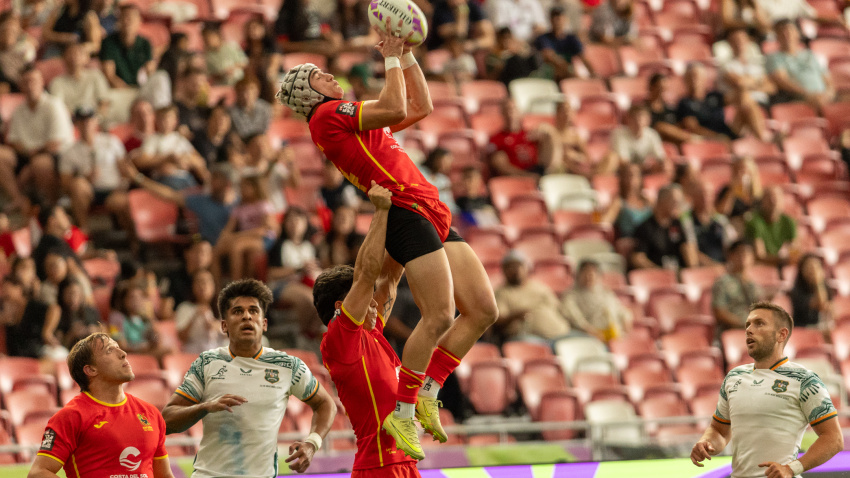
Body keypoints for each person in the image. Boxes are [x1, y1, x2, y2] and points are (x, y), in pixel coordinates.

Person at [277, 21, 498, 460]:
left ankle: (429, 387)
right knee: (438, 316)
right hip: (401, 210)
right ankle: (404, 409)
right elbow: (397, 104)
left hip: (429, 208)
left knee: (483, 310)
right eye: (320, 76)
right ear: (310, 93)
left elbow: (420, 104)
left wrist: (410, 54)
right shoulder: (326, 116)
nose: (331, 76)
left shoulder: (356, 119)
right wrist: (391, 54)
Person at [161, 278, 337, 476]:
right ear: (224, 326)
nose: (247, 316)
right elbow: (165, 421)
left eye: (253, 311)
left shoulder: (288, 366)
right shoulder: (207, 363)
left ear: (264, 324)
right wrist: (204, 407)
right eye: (238, 311)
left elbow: (326, 404)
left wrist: (312, 443)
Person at [313, 182, 421, 477]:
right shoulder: (340, 340)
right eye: (364, 298)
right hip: (380, 468)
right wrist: (381, 211)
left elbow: (389, 277)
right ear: (341, 307)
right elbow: (367, 273)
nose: (374, 303)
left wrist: (406, 212)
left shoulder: (370, 334)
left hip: (405, 466)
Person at [691, 301, 843, 477]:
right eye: (747, 324)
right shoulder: (734, 377)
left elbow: (834, 439)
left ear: (781, 334)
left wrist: (791, 468)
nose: (749, 329)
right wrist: (706, 442)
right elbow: (719, 431)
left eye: (759, 323)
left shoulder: (805, 380)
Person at [27, 333, 174, 478]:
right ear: (91, 370)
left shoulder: (150, 413)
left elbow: (164, 475)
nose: (123, 353)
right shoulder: (71, 416)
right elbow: (38, 473)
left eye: (119, 347)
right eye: (110, 350)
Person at [6, 66, 75, 201]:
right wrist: (29, 155)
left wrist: (31, 162)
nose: (30, 86)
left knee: (40, 164)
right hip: (28, 154)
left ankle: (49, 210)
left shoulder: (54, 105)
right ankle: (17, 200)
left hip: (57, 155)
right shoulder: (18, 110)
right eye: (26, 82)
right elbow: (13, 141)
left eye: (33, 81)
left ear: (42, 82)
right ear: (20, 86)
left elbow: (55, 144)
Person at [59, 108, 128, 231]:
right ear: (76, 124)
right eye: (82, 121)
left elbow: (125, 170)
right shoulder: (69, 151)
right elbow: (65, 184)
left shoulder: (111, 141)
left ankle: (134, 243)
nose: (86, 125)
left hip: (113, 189)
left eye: (89, 121)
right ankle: (84, 231)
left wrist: (123, 186)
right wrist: (85, 178)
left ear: (96, 122)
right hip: (88, 192)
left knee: (122, 202)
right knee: (78, 185)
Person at [677, 62, 768, 142]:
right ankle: (764, 141)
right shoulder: (685, 103)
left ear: (704, 79)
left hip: (726, 133)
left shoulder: (713, 95)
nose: (695, 80)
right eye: (691, 76)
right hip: (711, 138)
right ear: (686, 80)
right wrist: (716, 137)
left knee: (748, 105)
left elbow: (738, 97)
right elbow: (693, 128)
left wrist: (744, 85)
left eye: (697, 76)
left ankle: (762, 138)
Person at [494, 250, 571, 343]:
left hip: (561, 333)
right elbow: (497, 323)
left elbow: (559, 308)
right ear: (503, 271)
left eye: (519, 265)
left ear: (527, 268)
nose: (515, 270)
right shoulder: (501, 293)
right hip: (530, 339)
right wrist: (515, 316)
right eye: (510, 267)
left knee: (587, 341)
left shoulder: (539, 287)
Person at [767, 19, 835, 112]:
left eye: (790, 31)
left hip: (824, 96)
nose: (787, 35)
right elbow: (782, 81)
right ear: (777, 36)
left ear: (797, 33)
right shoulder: (774, 58)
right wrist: (807, 94)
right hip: (799, 98)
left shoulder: (810, 55)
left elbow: (826, 77)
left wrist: (829, 93)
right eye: (782, 32)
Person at [630, 184, 699, 270]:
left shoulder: (678, 224)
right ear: (661, 201)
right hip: (655, 276)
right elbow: (638, 258)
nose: (677, 205)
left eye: (679, 202)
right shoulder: (645, 227)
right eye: (674, 201)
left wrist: (692, 271)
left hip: (678, 274)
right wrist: (660, 273)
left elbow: (688, 249)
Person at [561, 260, 632, 342]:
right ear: (578, 275)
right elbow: (575, 318)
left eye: (592, 273)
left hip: (615, 335)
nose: (589, 276)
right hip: (590, 337)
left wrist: (626, 318)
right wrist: (590, 331)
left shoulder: (606, 292)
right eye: (585, 273)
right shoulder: (570, 295)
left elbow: (621, 310)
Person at [488, 98, 559, 177]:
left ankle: (550, 174)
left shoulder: (529, 134)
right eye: (507, 110)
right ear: (502, 113)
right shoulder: (497, 139)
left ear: (520, 113)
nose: (510, 113)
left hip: (537, 170)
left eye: (513, 109)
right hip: (517, 176)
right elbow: (501, 166)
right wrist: (527, 176)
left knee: (549, 133)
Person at [600, 104, 669, 175]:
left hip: (642, 170)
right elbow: (623, 162)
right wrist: (643, 167)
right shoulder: (618, 134)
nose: (638, 121)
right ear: (628, 119)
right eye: (635, 117)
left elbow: (661, 157)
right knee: (612, 158)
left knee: (666, 166)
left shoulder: (652, 134)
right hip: (622, 172)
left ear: (648, 120)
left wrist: (659, 165)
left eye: (641, 117)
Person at [99, 4, 153, 88]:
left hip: (140, 90)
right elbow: (109, 75)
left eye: (132, 18)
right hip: (117, 90)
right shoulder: (108, 42)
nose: (128, 22)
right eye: (125, 17)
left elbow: (150, 72)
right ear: (118, 20)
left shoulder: (145, 44)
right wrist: (127, 89)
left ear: (139, 21)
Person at [711, 240, 761, 330]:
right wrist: (742, 324)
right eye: (740, 252)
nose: (744, 256)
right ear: (730, 256)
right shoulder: (722, 282)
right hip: (734, 330)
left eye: (748, 253)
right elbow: (719, 312)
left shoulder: (754, 284)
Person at [49, 42, 111, 115]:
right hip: (69, 121)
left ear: (87, 58)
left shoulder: (96, 76)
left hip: (93, 119)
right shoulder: (57, 82)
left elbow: (104, 102)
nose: (75, 56)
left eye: (79, 53)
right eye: (71, 53)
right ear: (63, 58)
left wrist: (96, 119)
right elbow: (57, 107)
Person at [174, 269, 227, 354]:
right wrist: (194, 317)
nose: (202, 286)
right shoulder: (185, 307)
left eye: (206, 282)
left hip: (218, 354)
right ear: (193, 286)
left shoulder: (223, 308)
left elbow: (233, 335)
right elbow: (181, 337)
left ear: (213, 286)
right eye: (198, 282)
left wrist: (216, 326)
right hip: (193, 355)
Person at [535, 6, 593, 80]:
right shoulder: (543, 38)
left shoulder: (571, 38)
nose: (557, 20)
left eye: (559, 17)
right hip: (551, 75)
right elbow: (549, 57)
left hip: (569, 73)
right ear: (550, 20)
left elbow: (583, 57)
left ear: (565, 19)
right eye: (554, 17)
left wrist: (593, 73)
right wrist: (570, 71)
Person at [745, 185, 798, 266]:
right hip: (761, 268)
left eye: (776, 198)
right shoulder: (755, 222)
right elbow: (759, 256)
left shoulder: (789, 222)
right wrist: (781, 260)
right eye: (769, 198)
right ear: (762, 201)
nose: (773, 201)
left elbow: (793, 251)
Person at [600, 162, 653, 238]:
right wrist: (598, 211)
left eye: (635, 174)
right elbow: (603, 223)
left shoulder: (649, 201)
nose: (631, 178)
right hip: (632, 241)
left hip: (650, 241)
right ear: (622, 178)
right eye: (627, 175)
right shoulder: (618, 202)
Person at [428, 0, 495, 51]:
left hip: (466, 54)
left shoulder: (473, 6)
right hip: (440, 51)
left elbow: (490, 39)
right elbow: (460, 32)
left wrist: (473, 44)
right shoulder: (441, 8)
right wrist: (462, 15)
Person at [789, 254, 832, 329]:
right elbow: (820, 304)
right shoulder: (797, 291)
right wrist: (818, 283)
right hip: (803, 329)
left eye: (816, 267)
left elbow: (830, 309)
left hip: (820, 328)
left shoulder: (826, 287)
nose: (813, 271)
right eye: (809, 267)